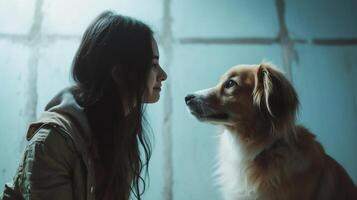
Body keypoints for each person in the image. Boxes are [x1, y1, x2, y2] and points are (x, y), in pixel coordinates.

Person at [1, 10, 167, 200]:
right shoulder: (52, 142)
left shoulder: (119, 132)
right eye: (153, 65)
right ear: (119, 72)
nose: (163, 75)